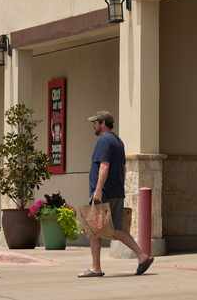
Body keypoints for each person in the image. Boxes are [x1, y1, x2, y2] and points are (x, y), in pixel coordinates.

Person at [79, 111, 154, 278]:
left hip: (103, 193)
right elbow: (122, 168)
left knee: (94, 229)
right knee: (114, 229)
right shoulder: (118, 141)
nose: (94, 126)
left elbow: (104, 166)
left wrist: (98, 191)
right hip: (116, 191)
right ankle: (142, 256)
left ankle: (96, 268)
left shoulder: (103, 141)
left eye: (95, 123)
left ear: (103, 123)